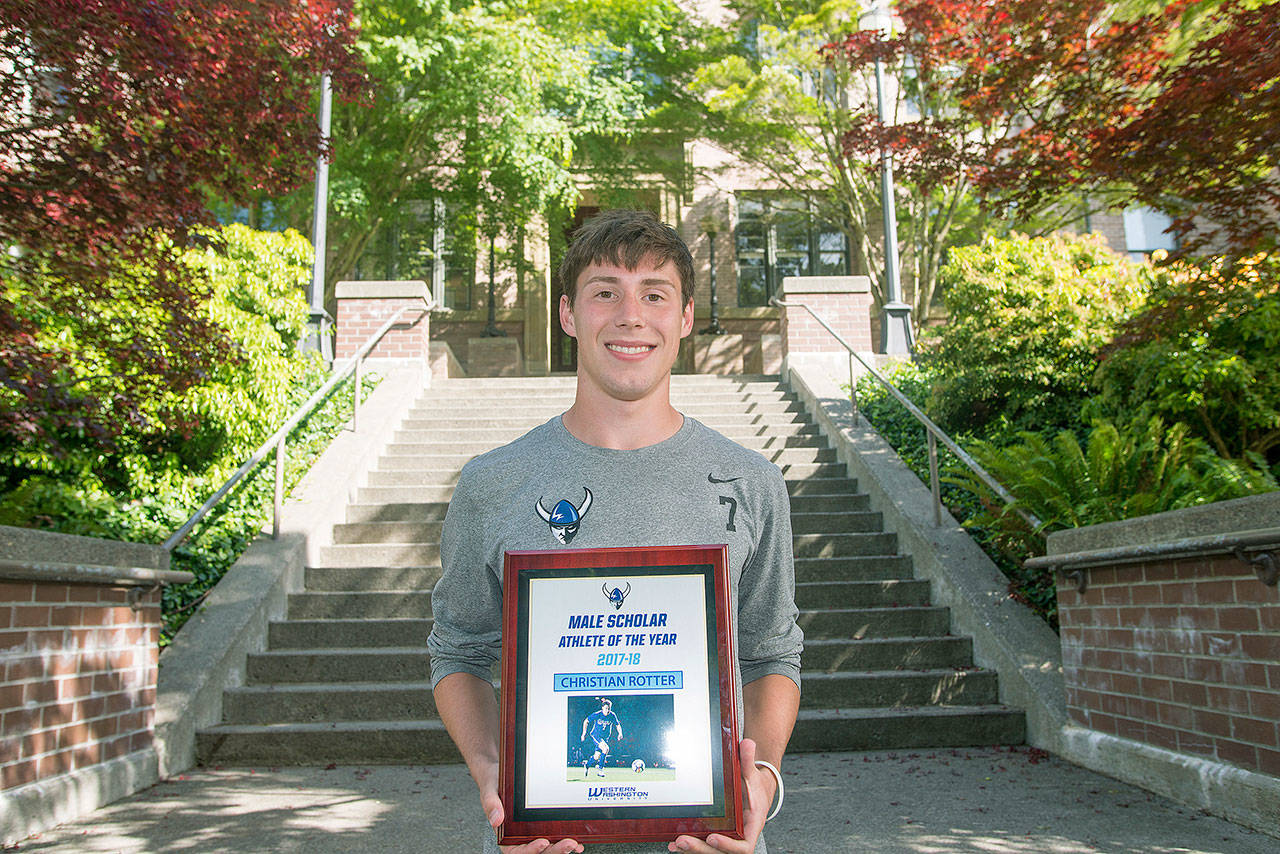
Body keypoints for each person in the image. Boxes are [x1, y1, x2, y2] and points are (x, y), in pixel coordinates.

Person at [428, 209, 803, 854]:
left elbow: (772, 654)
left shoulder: (750, 482)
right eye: (606, 293)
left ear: (683, 320)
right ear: (569, 315)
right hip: (544, 840)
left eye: (654, 294)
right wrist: (495, 770)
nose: (631, 316)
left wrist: (761, 779)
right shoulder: (492, 483)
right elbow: (458, 654)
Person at [580, 698, 624, 777]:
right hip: (596, 735)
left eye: (609, 709)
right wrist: (584, 733)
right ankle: (600, 770)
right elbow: (586, 721)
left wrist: (620, 733)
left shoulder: (612, 715)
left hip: (604, 739)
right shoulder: (597, 714)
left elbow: (617, 725)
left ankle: (587, 764)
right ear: (602, 708)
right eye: (606, 708)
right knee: (606, 748)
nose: (607, 710)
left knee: (596, 757)